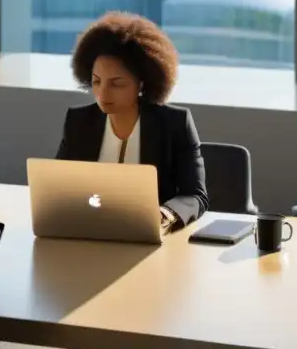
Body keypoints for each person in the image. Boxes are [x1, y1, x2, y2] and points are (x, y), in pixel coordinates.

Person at [56, 12, 208, 231]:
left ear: (142, 84)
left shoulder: (174, 124)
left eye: (117, 84)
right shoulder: (78, 122)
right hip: (89, 232)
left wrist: (166, 214)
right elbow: (56, 186)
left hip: (150, 239)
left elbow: (195, 195)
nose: (103, 93)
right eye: (97, 82)